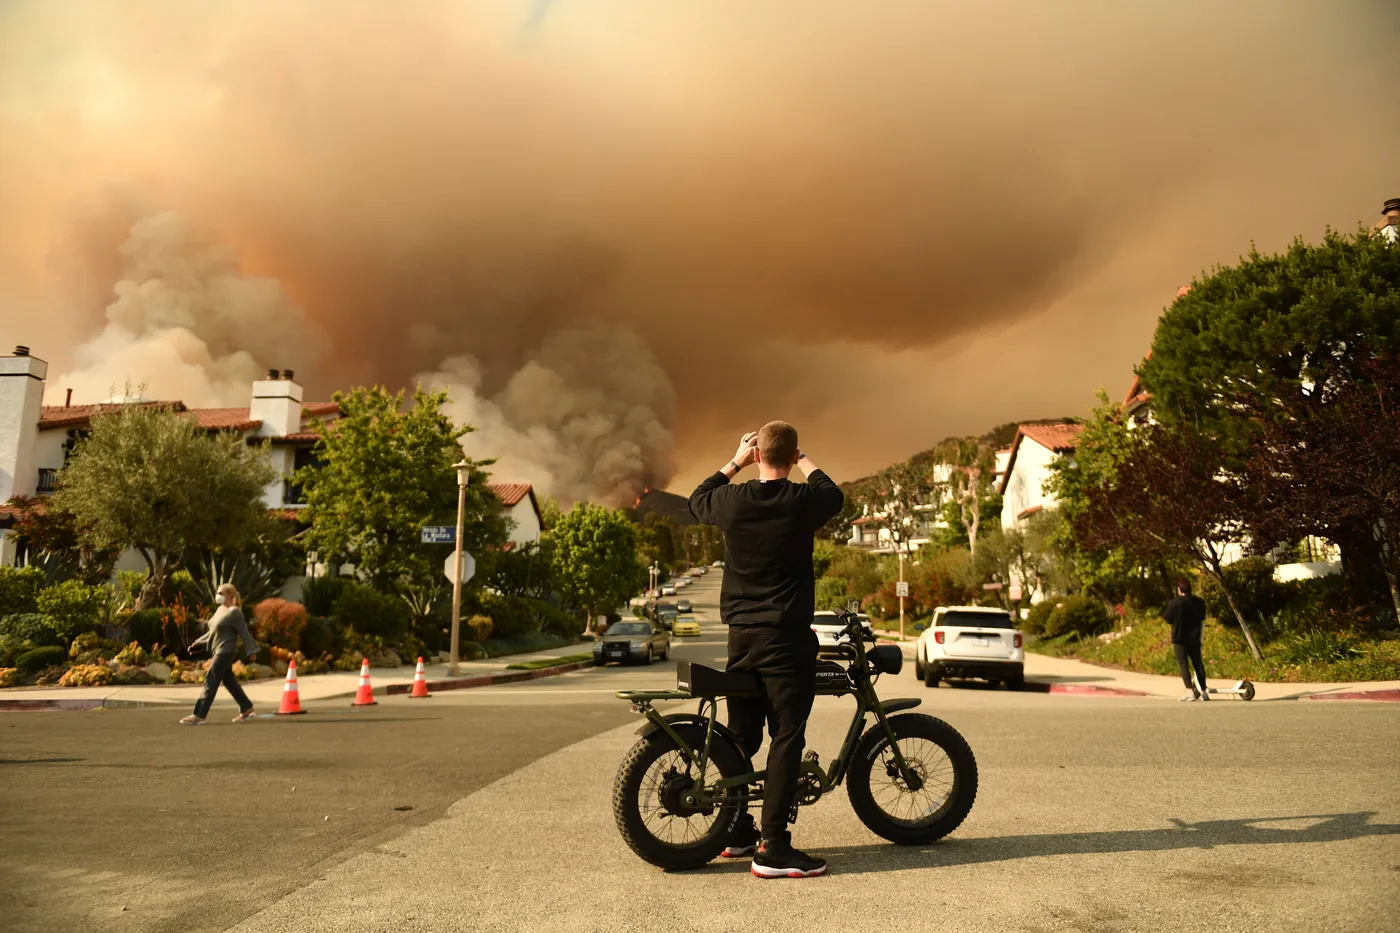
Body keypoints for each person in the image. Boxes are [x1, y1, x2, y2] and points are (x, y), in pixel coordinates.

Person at [689, 422, 844, 879]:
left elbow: (697, 498)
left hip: (741, 638)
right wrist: (804, 460)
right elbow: (832, 491)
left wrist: (734, 459)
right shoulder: (801, 501)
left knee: (743, 737)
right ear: (792, 454)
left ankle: (736, 831)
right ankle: (773, 848)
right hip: (785, 638)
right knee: (786, 737)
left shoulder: (731, 501)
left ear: (757, 456)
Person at [180, 583, 260, 725]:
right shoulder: (220, 610)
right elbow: (212, 632)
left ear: (230, 596)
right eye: (217, 593)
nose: (218, 596)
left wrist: (251, 650)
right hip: (217, 649)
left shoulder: (235, 612)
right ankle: (246, 707)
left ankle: (199, 715)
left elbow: (244, 632)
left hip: (226, 650)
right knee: (228, 680)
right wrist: (198, 643)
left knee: (211, 679)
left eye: (221, 594)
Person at [1164, 578, 1209, 702]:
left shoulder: (1175, 603)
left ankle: (1190, 691)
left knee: (1183, 664)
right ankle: (1204, 691)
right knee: (1197, 664)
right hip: (1195, 637)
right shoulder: (1199, 602)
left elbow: (1168, 618)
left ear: (1179, 589)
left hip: (1180, 638)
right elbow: (1202, 616)